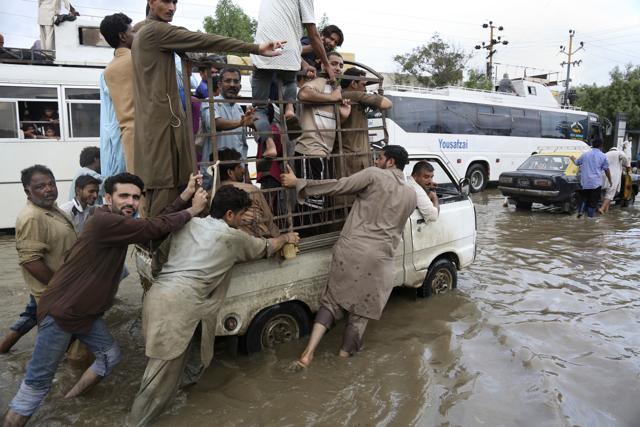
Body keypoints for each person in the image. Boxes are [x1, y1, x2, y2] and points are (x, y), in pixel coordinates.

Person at [2, 172, 208, 427]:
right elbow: (154, 228)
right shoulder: (104, 221)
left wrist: (186, 195)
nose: (130, 202)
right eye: (123, 196)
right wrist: (193, 210)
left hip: (85, 313)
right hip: (63, 312)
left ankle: (69, 399)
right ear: (108, 198)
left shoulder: (117, 221)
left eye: (135, 197)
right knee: (36, 385)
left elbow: (152, 223)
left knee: (110, 356)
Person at [128, 185, 299, 425]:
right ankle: (135, 422)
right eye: (241, 216)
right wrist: (287, 238)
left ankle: (179, 405)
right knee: (156, 381)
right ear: (230, 215)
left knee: (194, 359)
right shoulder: (232, 236)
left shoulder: (189, 224)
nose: (243, 221)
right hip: (179, 305)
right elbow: (266, 247)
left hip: (160, 296)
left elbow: (160, 259)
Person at [131, 0, 283, 218]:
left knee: (167, 189)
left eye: (175, 2)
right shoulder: (155, 31)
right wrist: (255, 48)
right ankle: (159, 246)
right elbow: (203, 40)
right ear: (151, 2)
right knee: (165, 191)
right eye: (166, 1)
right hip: (162, 127)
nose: (172, 7)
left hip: (157, 124)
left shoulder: (145, 31)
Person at [281, 145, 417, 367]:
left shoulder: (374, 175)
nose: (376, 161)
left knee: (332, 301)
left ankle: (308, 353)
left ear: (390, 162)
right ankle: (343, 361)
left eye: (379, 157)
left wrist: (299, 183)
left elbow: (339, 186)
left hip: (352, 249)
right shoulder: (411, 195)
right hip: (380, 258)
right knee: (360, 314)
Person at [0, 165, 77, 354]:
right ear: (28, 191)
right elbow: (30, 261)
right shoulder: (32, 217)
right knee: (51, 347)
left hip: (58, 288)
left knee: (34, 319)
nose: (49, 189)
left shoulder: (52, 208)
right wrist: (59, 288)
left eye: (51, 184)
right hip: (53, 292)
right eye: (41, 186)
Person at [250, 0, 336, 161]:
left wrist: (305, 62)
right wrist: (326, 64)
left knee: (259, 109)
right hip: (288, 50)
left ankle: (269, 144)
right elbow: (313, 33)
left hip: (263, 48)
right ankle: (289, 109)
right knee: (289, 81)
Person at [295, 52, 350, 180]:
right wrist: (332, 98)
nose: (338, 68)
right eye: (333, 64)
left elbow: (329, 121)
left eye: (341, 65)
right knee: (311, 196)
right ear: (323, 65)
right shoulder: (320, 81)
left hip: (322, 151)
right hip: (310, 149)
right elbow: (303, 94)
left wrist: (343, 116)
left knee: (318, 195)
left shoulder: (333, 87)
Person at [337, 66, 392, 177]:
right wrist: (376, 96)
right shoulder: (354, 95)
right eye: (363, 85)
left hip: (351, 154)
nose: (365, 89)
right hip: (354, 156)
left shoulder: (343, 96)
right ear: (353, 84)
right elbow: (388, 104)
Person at [200, 67, 255, 178]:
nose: (232, 85)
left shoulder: (239, 109)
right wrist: (241, 122)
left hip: (236, 174)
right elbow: (215, 123)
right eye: (228, 81)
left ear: (240, 86)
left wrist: (246, 173)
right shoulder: (210, 103)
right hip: (214, 173)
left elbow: (243, 145)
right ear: (219, 85)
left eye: (236, 81)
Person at [100, 13, 136, 174]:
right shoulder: (138, 60)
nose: (135, 35)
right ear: (123, 36)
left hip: (126, 139)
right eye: (133, 32)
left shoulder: (108, 70)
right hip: (147, 136)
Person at [219, 148, 280, 238]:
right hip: (258, 240)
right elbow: (269, 219)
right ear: (230, 173)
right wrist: (280, 240)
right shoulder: (252, 190)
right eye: (239, 167)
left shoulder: (209, 195)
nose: (243, 170)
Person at [570, 138, 611, 218]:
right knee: (592, 203)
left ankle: (581, 212)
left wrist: (573, 158)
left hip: (585, 182)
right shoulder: (603, 156)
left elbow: (577, 163)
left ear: (592, 145)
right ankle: (590, 219)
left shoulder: (585, 155)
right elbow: (606, 170)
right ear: (601, 145)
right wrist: (610, 180)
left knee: (585, 198)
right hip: (596, 183)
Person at [599, 146, 629, 214]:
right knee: (610, 193)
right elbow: (626, 160)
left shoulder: (605, 154)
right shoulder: (619, 153)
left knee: (604, 193)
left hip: (603, 174)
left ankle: (606, 211)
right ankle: (602, 208)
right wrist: (628, 167)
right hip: (613, 176)